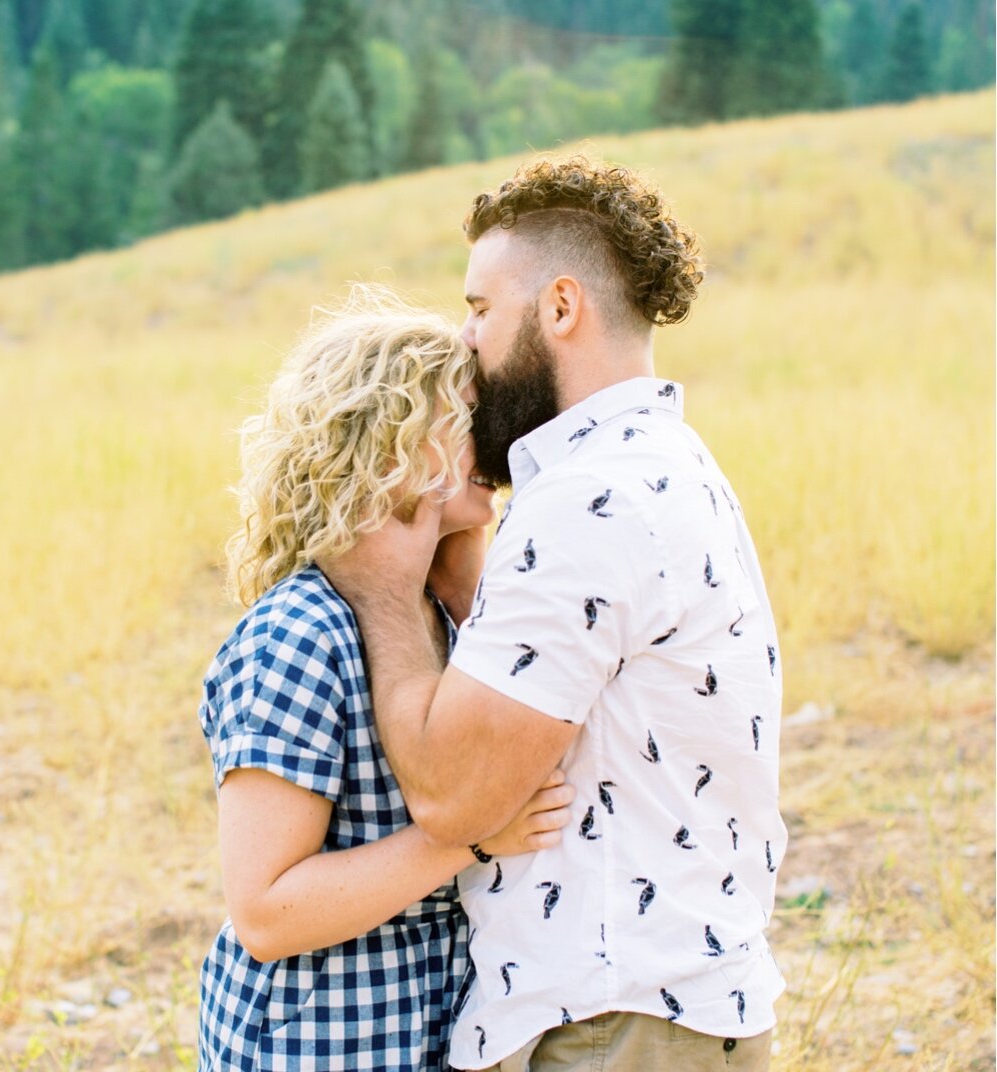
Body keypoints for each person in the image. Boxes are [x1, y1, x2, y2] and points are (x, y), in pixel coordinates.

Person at [321, 158, 787, 1071]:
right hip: (678, 1006)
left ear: (561, 306)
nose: (465, 342)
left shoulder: (588, 501)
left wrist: (379, 589)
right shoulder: (668, 463)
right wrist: (462, 584)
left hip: (610, 1025)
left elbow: (455, 793)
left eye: (480, 309)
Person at [196, 286, 576, 1071]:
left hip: (419, 1033)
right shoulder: (299, 635)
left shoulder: (442, 615)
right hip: (316, 1043)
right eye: (475, 419)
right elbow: (265, 910)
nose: (501, 440)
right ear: (397, 442)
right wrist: (467, 839)